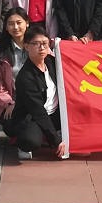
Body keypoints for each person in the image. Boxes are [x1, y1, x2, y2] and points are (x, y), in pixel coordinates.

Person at [13, 25, 66, 160]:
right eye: (36, 44)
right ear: (26, 46)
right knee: (30, 140)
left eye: (44, 43)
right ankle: (24, 143)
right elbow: (38, 111)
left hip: (55, 113)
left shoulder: (52, 62)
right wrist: (56, 141)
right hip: (33, 117)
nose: (42, 48)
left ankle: (54, 133)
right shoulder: (25, 77)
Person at [0, 8, 30, 137]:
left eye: (19, 22)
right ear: (6, 27)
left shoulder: (38, 45)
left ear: (27, 23)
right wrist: (10, 103)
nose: (15, 27)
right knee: (12, 125)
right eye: (11, 24)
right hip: (11, 101)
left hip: (34, 100)